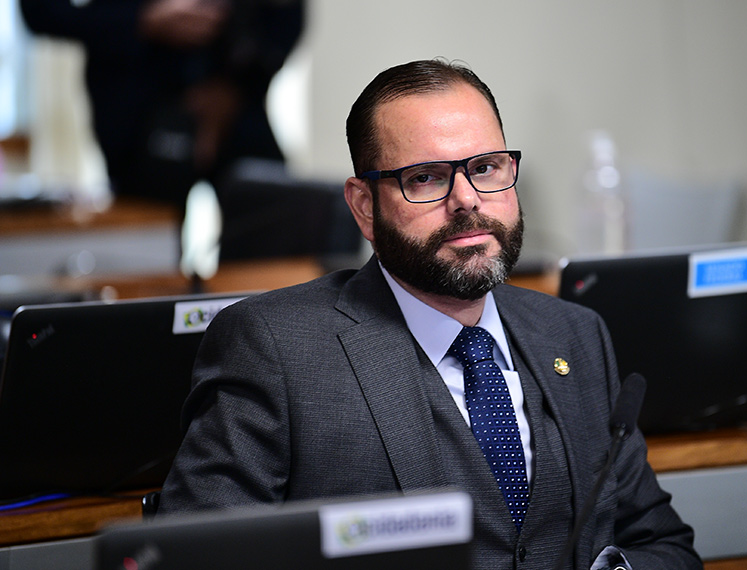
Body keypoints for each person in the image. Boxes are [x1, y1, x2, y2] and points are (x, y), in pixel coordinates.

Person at [157, 59, 702, 570]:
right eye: (426, 177)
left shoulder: (575, 335)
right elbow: (197, 560)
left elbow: (663, 545)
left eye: (486, 168)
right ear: (365, 206)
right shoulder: (274, 349)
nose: (467, 199)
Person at [19, 0, 304, 215]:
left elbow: (290, 13)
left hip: (237, 100)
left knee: (276, 231)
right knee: (144, 250)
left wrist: (235, 88)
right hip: (132, 108)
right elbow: (40, 10)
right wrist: (139, 21)